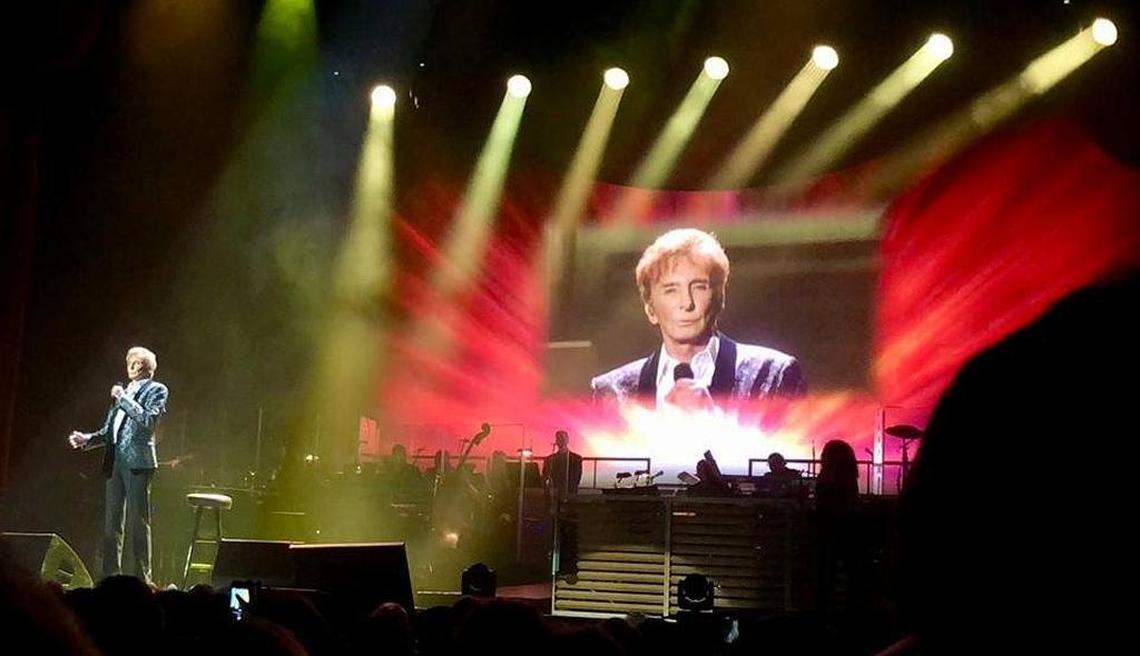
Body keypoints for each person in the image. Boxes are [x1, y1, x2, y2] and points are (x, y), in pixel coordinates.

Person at [590, 228, 806, 408]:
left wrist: (712, 419)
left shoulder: (773, 375)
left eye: (699, 287)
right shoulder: (613, 391)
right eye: (671, 290)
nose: (687, 303)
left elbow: (793, 454)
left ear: (720, 297)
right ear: (650, 308)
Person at [68, 346, 168, 583]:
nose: (130, 366)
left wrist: (123, 398)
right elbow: (109, 431)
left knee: (138, 520)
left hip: (138, 463)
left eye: (134, 363)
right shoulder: (124, 393)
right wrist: (87, 439)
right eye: (129, 363)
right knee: (112, 523)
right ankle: (111, 577)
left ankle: (142, 579)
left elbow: (147, 421)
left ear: (144, 366)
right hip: (115, 462)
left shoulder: (157, 389)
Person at [541, 430, 583, 501]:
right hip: (553, 493)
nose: (561, 440)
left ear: (567, 440)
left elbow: (577, 477)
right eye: (559, 438)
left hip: (570, 492)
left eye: (563, 437)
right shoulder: (549, 459)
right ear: (556, 441)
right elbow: (545, 474)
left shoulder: (576, 459)